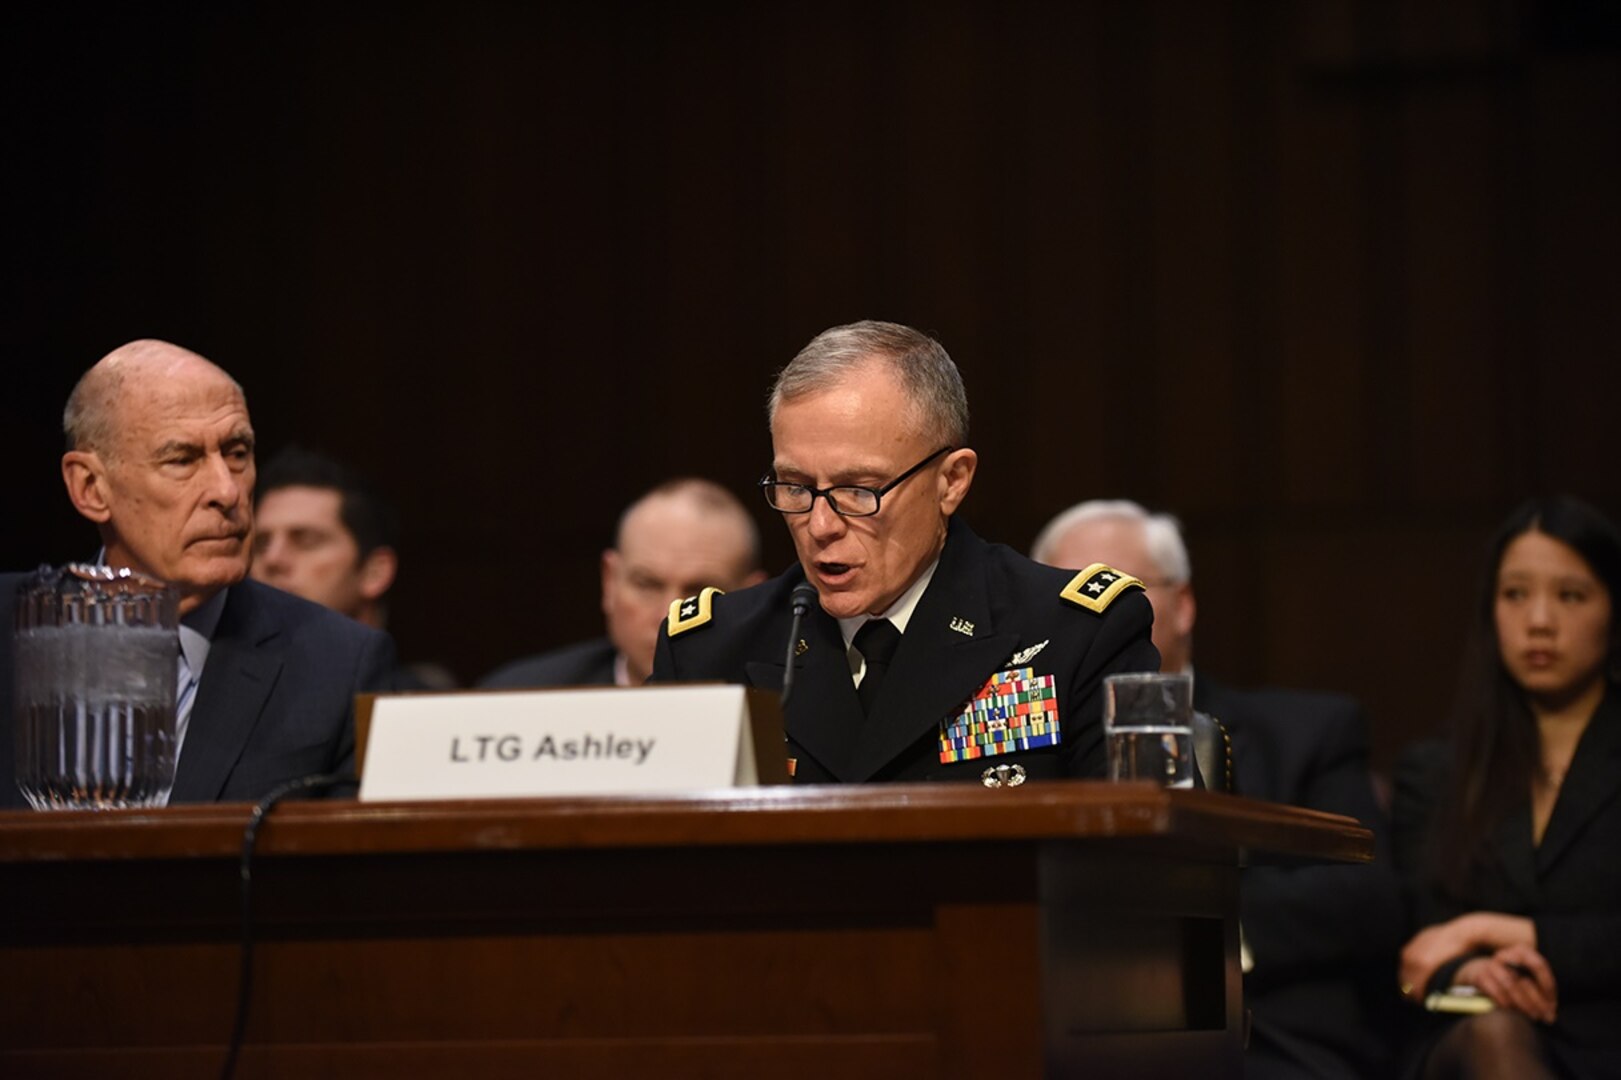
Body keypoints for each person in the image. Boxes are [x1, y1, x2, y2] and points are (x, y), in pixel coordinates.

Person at [651, 320, 1158, 784]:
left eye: (858, 490)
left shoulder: (1076, 635)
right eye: (796, 487)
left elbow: (1152, 863)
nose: (821, 526)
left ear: (951, 481)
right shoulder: (709, 651)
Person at [1032, 499, 1403, 1079]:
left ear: (1183, 606)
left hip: (1271, 1039)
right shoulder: (1019, 749)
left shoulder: (1306, 733)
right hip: (1062, 1034)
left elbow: (1367, 899)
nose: (1093, 618)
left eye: (1116, 591)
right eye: (1071, 598)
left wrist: (1185, 926)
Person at [0, 339, 395, 807]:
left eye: (236, 452)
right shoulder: (11, 627)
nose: (226, 491)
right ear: (91, 488)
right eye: (182, 460)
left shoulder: (338, 664)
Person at [1393, 496, 1621, 1079]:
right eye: (1515, 594)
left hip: (1606, 1024)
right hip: (1478, 1029)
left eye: (1571, 595)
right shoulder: (1437, 769)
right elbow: (1415, 935)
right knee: (1496, 1035)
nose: (1539, 620)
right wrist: (1466, 969)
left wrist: (1500, 931)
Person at [480, 478, 766, 689]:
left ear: (752, 597)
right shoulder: (520, 698)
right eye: (647, 585)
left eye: (700, 593)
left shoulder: (785, 706)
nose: (669, 616)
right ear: (610, 581)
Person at [252, 445, 453, 690]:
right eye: (260, 544)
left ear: (374, 572)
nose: (272, 559)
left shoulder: (416, 709)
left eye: (306, 541)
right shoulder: (223, 693)